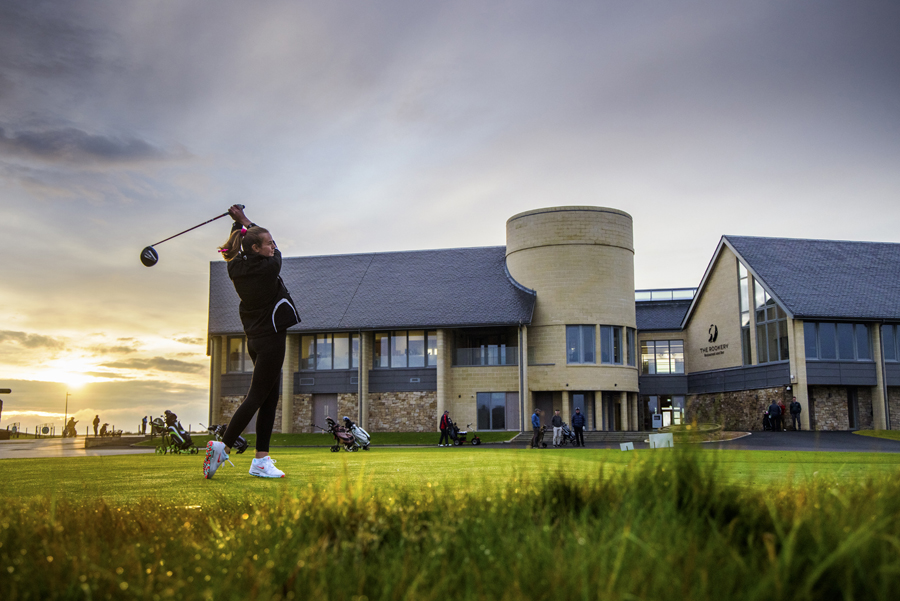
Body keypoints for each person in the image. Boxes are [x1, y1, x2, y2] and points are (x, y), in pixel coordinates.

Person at [203, 205, 300, 480]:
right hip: (271, 340)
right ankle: (224, 446)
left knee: (269, 397)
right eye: (269, 243)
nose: (273, 247)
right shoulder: (270, 265)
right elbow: (269, 248)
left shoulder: (235, 266)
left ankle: (261, 459)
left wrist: (238, 223)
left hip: (256, 340)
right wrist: (243, 220)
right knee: (258, 396)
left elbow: (244, 239)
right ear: (257, 248)